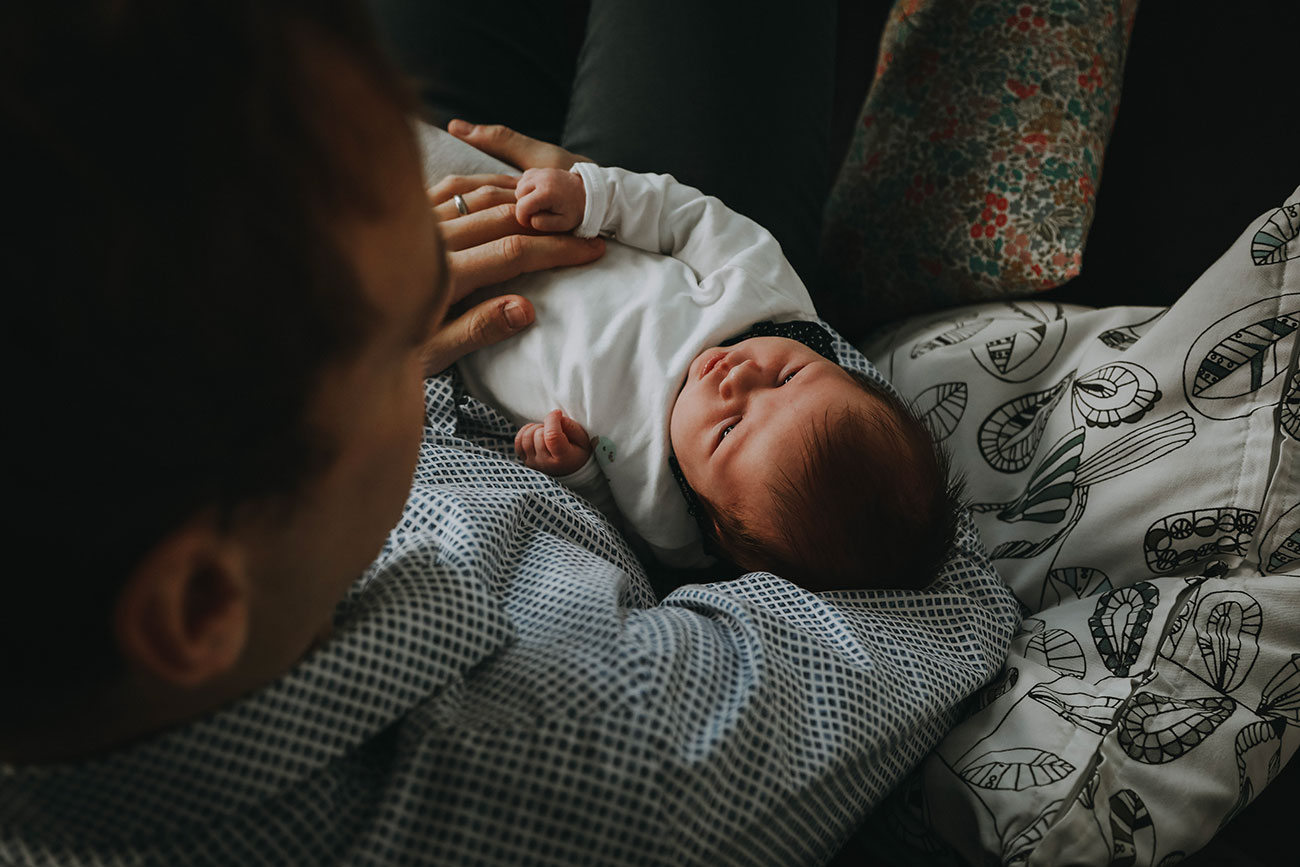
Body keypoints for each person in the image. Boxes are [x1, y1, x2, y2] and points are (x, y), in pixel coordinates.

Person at [0, 2, 1017, 865]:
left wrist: (401, 278)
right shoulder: (586, 760)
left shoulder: (96, 582)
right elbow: (923, 591)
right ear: (197, 603)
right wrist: (770, 347)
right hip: (640, 325)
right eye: (398, 323)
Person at [459, 163, 962, 589]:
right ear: (841, 368)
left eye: (729, 430)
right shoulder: (767, 301)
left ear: (719, 527)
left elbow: (610, 527)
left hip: (454, 324)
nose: (736, 381)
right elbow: (689, 217)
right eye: (787, 378)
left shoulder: (671, 531)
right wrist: (596, 197)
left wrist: (577, 471)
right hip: (536, 220)